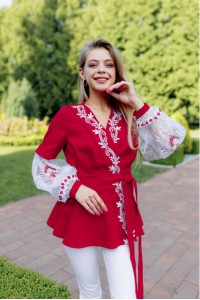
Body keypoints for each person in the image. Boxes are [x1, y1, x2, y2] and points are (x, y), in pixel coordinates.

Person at [32, 38, 186, 299]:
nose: (101, 69)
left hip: (119, 214)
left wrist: (135, 102)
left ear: (116, 72)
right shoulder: (68, 116)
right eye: (93, 64)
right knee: (90, 293)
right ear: (83, 73)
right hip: (80, 212)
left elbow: (170, 141)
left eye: (108, 64)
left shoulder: (129, 115)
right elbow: (40, 163)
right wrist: (75, 188)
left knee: (124, 294)